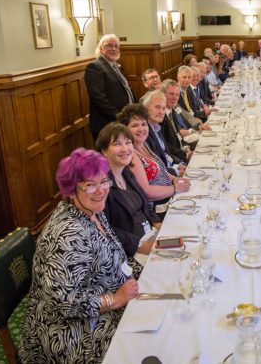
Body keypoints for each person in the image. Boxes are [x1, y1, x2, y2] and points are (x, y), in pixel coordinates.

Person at [19, 148, 139, 363]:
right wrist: (116, 299)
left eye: (103, 181)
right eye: (90, 185)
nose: (100, 190)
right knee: (141, 346)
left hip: (102, 305)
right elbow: (64, 303)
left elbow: (114, 259)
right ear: (71, 190)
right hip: (70, 332)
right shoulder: (68, 234)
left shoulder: (93, 211)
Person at [96, 123, 161, 258]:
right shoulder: (101, 186)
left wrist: (157, 223)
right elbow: (106, 229)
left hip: (151, 235)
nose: (125, 149)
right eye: (117, 144)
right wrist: (138, 245)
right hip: (131, 252)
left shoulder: (126, 173)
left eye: (128, 142)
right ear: (104, 151)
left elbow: (145, 204)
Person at [116, 103, 191, 216]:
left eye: (143, 124)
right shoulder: (130, 155)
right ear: (125, 129)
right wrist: (175, 188)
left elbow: (160, 169)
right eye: (135, 125)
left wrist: (174, 179)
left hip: (169, 197)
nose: (141, 129)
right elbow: (146, 192)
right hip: (159, 209)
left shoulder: (143, 144)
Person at [84, 34, 136, 142]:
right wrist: (118, 116)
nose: (113, 49)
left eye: (116, 46)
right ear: (101, 48)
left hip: (122, 120)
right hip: (107, 123)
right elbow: (98, 97)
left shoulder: (115, 65)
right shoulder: (95, 67)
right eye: (109, 46)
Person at [142, 91, 187, 176]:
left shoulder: (158, 128)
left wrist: (179, 164)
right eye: (157, 107)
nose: (161, 112)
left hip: (171, 169)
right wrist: (176, 172)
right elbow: (155, 167)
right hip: (164, 177)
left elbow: (166, 153)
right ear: (146, 108)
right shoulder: (144, 133)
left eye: (163, 108)